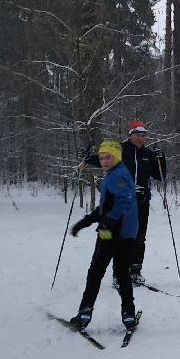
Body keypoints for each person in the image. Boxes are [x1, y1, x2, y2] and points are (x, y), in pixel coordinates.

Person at [82, 122, 167, 284]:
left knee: (139, 235)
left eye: (143, 136)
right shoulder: (120, 149)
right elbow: (104, 160)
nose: (141, 138)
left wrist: (161, 159)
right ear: (130, 135)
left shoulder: (148, 154)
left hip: (141, 199)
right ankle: (119, 274)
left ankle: (135, 270)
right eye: (138, 135)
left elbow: (160, 176)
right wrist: (88, 159)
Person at [68, 139, 139, 331]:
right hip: (123, 232)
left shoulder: (119, 175)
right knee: (121, 273)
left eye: (108, 157)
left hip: (114, 232)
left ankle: (85, 313)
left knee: (97, 271)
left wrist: (107, 222)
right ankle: (128, 315)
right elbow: (106, 205)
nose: (104, 161)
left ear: (117, 157)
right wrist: (87, 221)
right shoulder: (114, 173)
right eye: (101, 157)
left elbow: (124, 202)